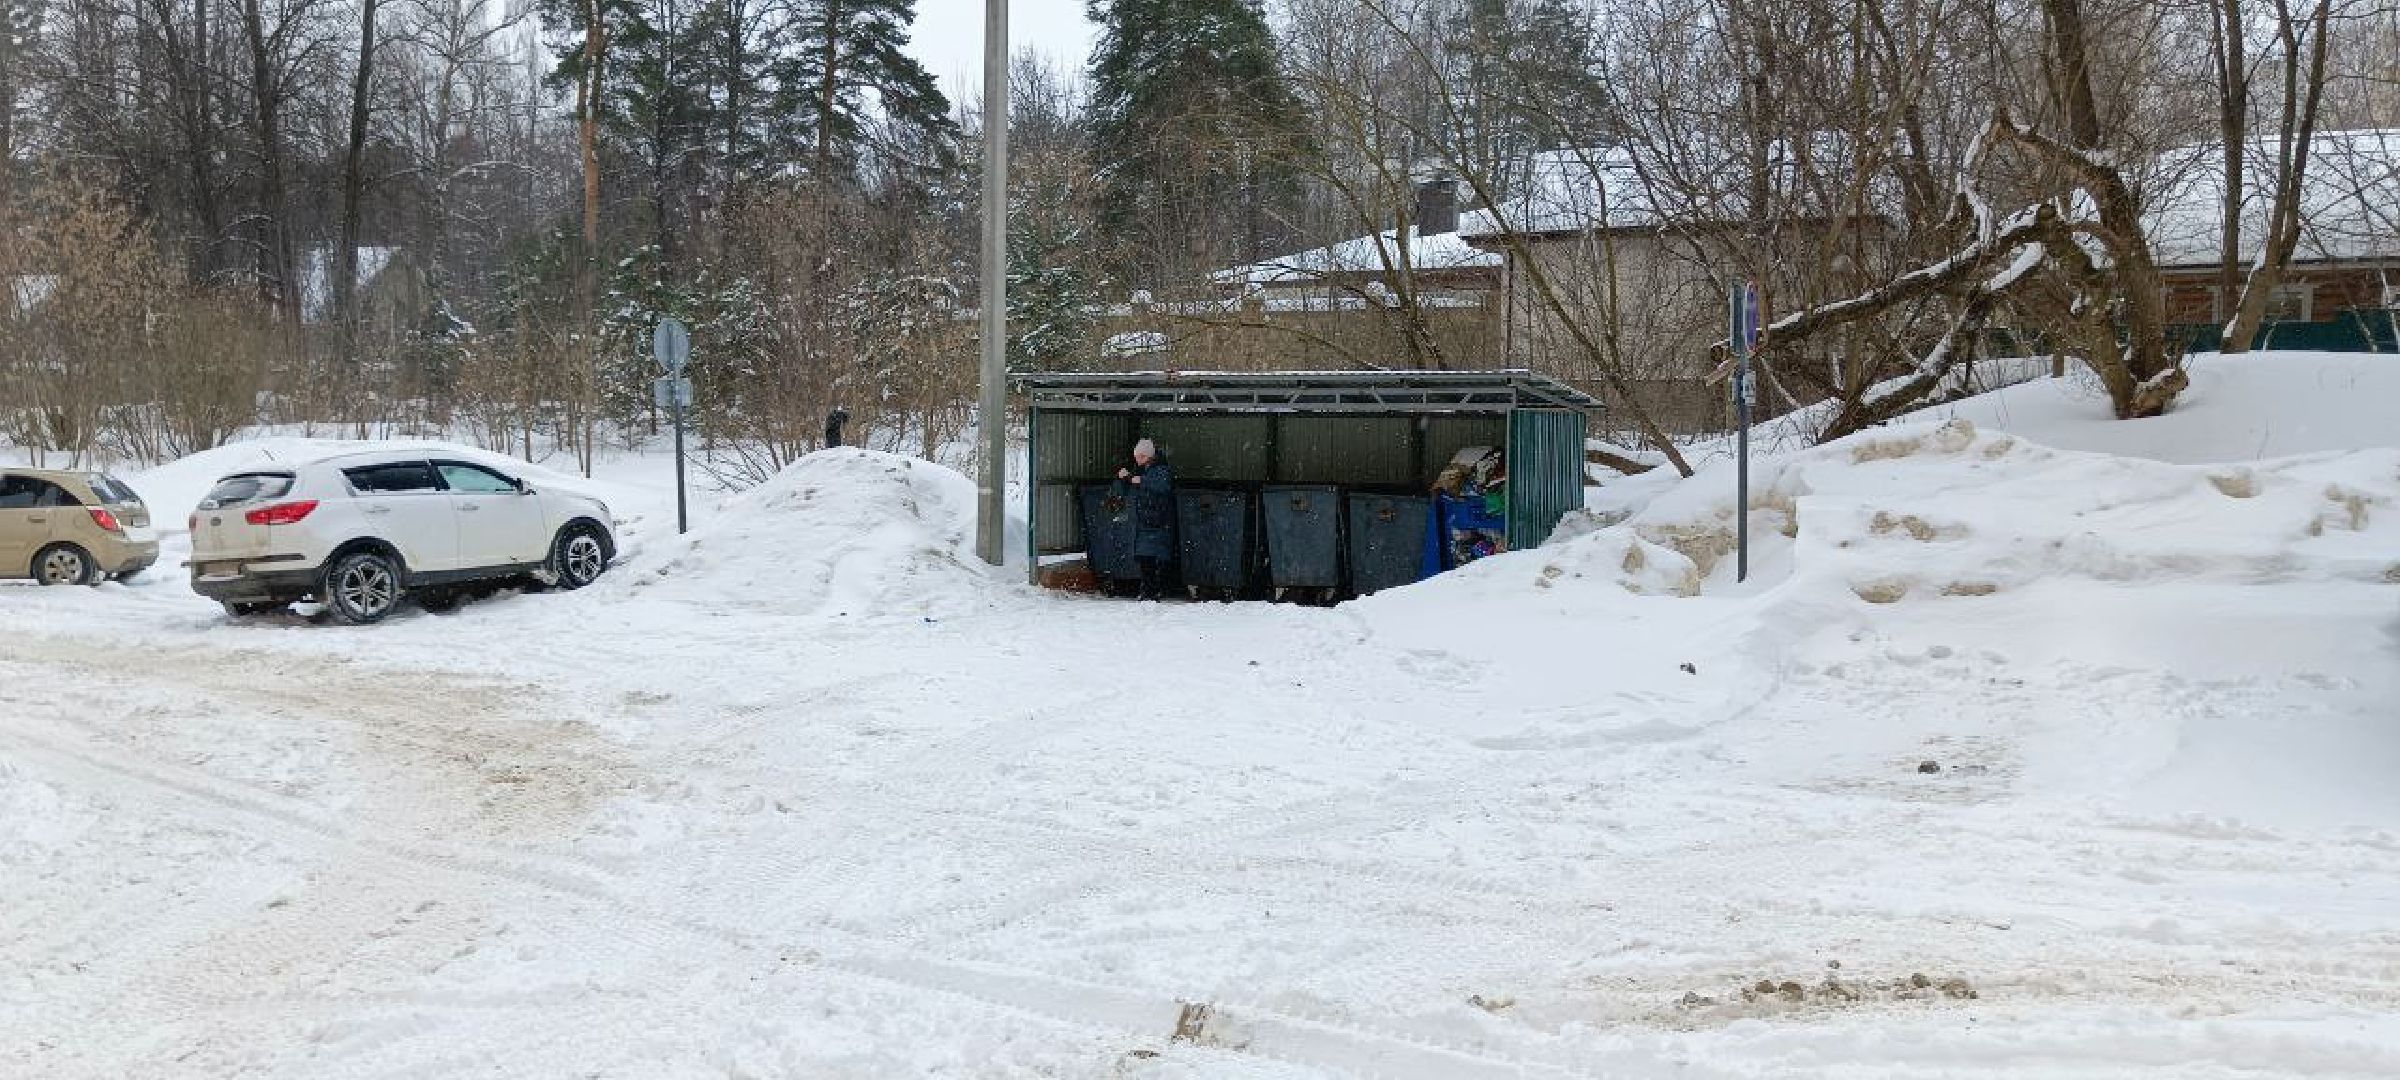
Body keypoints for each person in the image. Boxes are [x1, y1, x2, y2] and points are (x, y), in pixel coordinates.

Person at [1114, 438, 1175, 600]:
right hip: (1143, 521)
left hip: (1157, 521)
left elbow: (1162, 487)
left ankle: (1154, 590)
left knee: (1155, 559)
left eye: (1140, 456)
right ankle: (1148, 590)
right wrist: (1124, 479)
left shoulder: (1161, 470)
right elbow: (1122, 490)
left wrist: (1141, 481)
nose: (1137, 460)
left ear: (1148, 456)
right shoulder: (1140, 470)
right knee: (1145, 558)